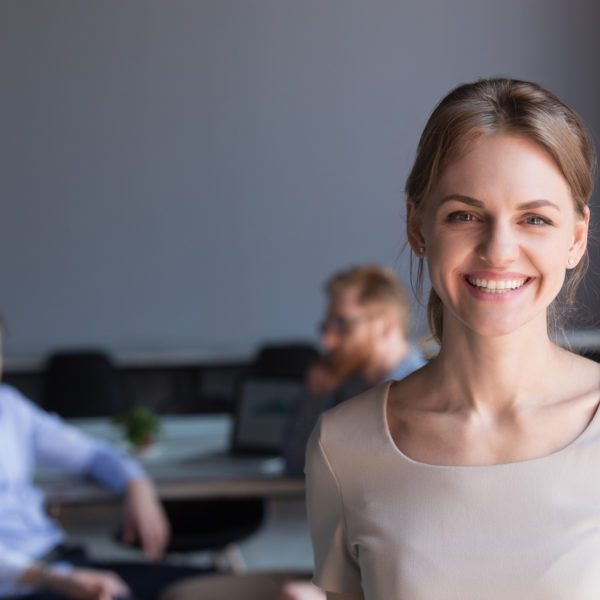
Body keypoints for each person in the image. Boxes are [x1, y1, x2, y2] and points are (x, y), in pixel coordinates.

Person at [305, 77, 598, 599]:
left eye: (534, 218)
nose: (500, 250)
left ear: (575, 239)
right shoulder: (342, 446)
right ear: (417, 226)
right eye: (464, 215)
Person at [0, 323, 208, 600]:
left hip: (58, 561)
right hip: (25, 584)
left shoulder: (9, 406)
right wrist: (57, 578)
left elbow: (94, 455)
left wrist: (137, 485)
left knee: (211, 587)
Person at [283, 264, 426, 477]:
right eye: (327, 327)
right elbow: (296, 466)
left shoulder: (427, 390)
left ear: (386, 326)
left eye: (342, 325)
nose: (328, 341)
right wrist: (315, 398)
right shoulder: (343, 386)